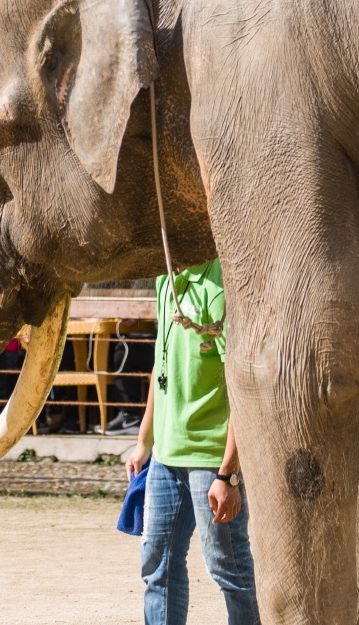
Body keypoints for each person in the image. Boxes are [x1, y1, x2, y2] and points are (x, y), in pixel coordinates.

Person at [125, 259, 261, 625]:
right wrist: (145, 441)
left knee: (227, 567)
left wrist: (228, 474)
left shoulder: (218, 287)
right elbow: (160, 363)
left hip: (211, 459)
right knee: (157, 563)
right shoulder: (165, 279)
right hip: (166, 458)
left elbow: (242, 382)